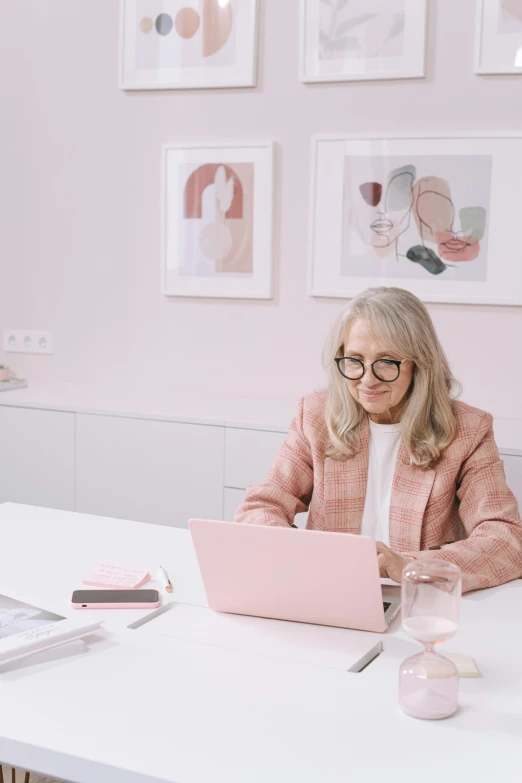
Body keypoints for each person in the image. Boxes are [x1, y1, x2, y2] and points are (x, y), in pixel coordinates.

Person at [234, 286, 522, 593]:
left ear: (418, 365)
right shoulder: (316, 415)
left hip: (419, 601)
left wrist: (413, 565)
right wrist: (295, 550)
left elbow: (506, 540)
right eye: (354, 360)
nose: (368, 380)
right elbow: (259, 507)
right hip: (328, 594)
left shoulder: (468, 429)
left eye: (386, 362)